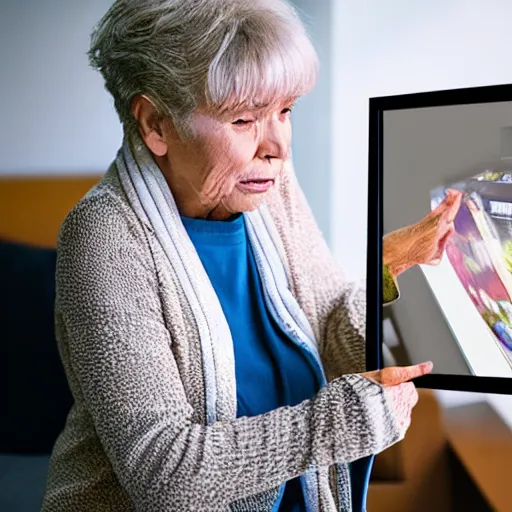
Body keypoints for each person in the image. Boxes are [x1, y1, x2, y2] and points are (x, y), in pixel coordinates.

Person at [41, 1, 461, 511]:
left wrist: (390, 265)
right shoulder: (104, 235)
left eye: (285, 110)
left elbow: (327, 326)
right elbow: (163, 472)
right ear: (155, 123)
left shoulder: (267, 186)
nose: (278, 145)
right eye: (243, 118)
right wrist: (339, 422)